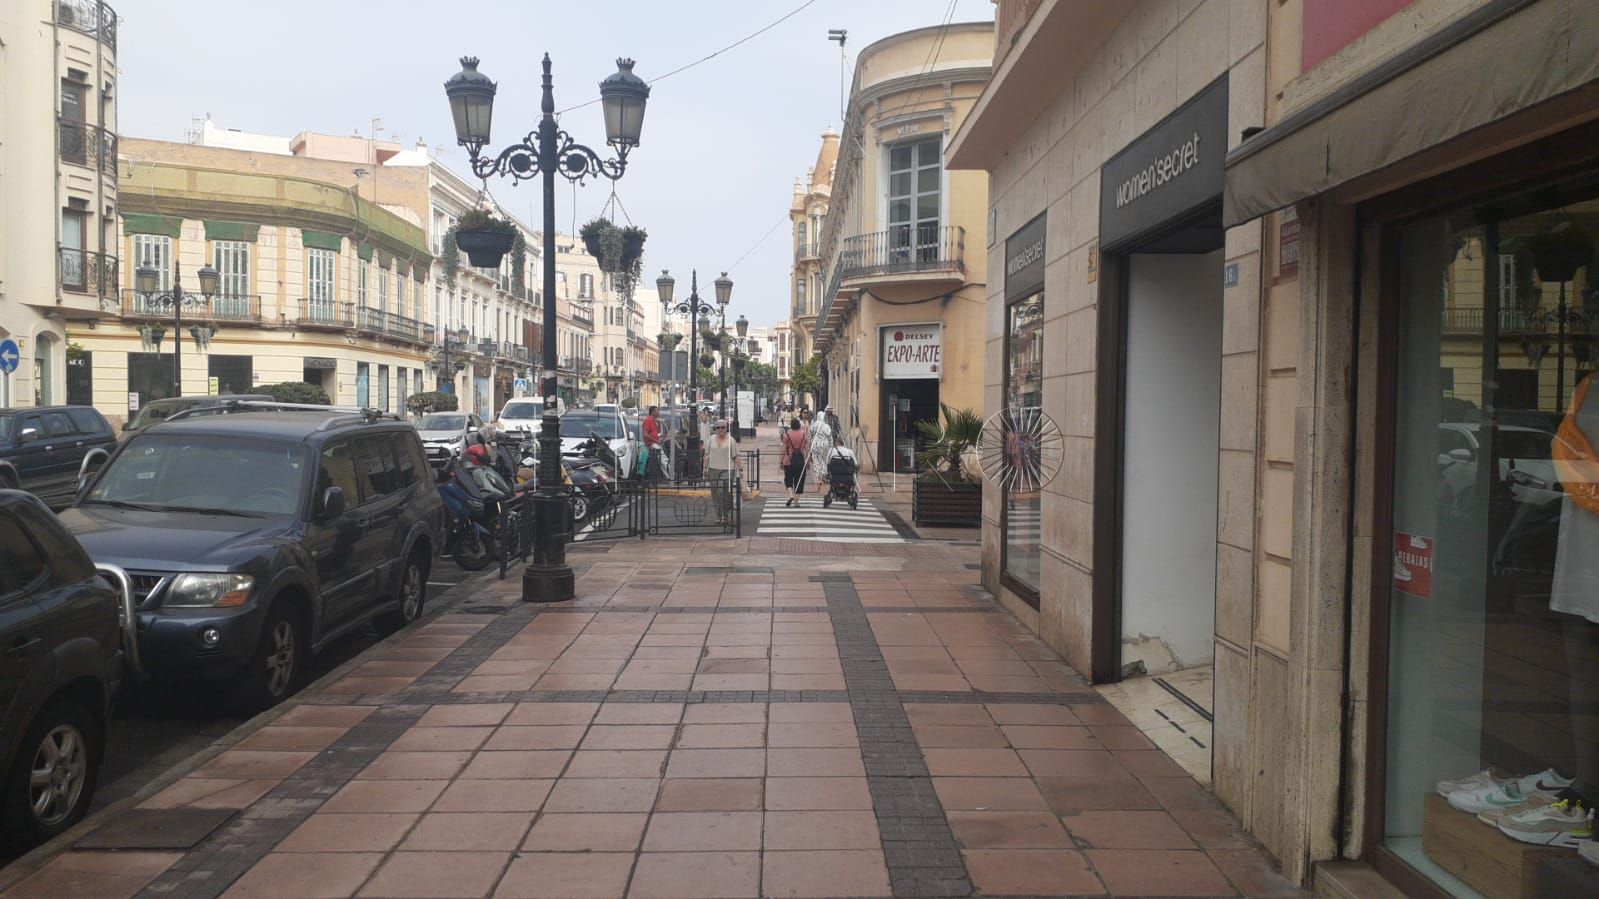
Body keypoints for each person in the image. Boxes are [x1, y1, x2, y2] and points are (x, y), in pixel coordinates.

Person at [705, 419, 739, 524]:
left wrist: (741, 469)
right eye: (718, 427)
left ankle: (725, 515)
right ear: (715, 429)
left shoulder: (731, 440)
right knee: (715, 494)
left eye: (722, 427)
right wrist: (704, 468)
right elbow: (706, 455)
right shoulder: (711, 439)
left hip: (727, 469)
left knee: (722, 491)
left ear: (726, 428)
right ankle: (719, 515)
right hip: (713, 469)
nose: (720, 429)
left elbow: (736, 456)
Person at [779, 417, 809, 507]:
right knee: (799, 481)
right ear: (799, 426)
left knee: (788, 480)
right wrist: (807, 462)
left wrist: (781, 462)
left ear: (791, 426)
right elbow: (807, 449)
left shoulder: (786, 435)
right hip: (800, 461)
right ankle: (796, 501)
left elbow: (783, 450)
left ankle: (791, 495)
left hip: (788, 461)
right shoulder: (804, 435)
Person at [642, 405, 664, 480]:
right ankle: (671, 475)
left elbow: (657, 433)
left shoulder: (654, 421)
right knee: (663, 459)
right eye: (657, 411)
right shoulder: (648, 420)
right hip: (651, 444)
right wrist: (656, 441)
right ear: (653, 412)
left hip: (656, 443)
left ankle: (668, 475)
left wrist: (659, 424)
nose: (658, 412)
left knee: (661, 459)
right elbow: (645, 435)